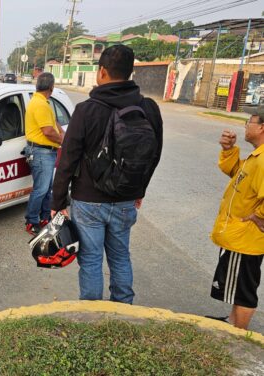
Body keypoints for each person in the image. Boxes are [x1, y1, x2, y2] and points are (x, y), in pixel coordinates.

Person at [50, 45, 163, 304]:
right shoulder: (148, 108)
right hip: (125, 198)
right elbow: (154, 154)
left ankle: (92, 316)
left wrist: (57, 203)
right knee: (121, 256)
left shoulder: (87, 110)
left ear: (101, 72)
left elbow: (67, 159)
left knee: (90, 259)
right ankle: (124, 310)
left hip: (88, 200)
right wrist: (139, 190)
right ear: (130, 72)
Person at [207, 105, 264, 330]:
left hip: (246, 239)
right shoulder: (257, 155)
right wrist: (229, 149)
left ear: (261, 127)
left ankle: (237, 335)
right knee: (238, 287)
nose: (245, 126)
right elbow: (237, 174)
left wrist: (258, 216)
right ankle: (233, 322)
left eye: (249, 122)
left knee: (244, 291)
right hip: (240, 236)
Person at [23, 72, 65, 235]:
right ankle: (32, 221)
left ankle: (44, 218)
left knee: (46, 188)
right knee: (41, 189)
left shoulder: (43, 102)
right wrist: (63, 141)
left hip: (45, 152)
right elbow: (48, 131)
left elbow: (53, 123)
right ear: (51, 87)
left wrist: (62, 134)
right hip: (41, 152)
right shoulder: (40, 104)